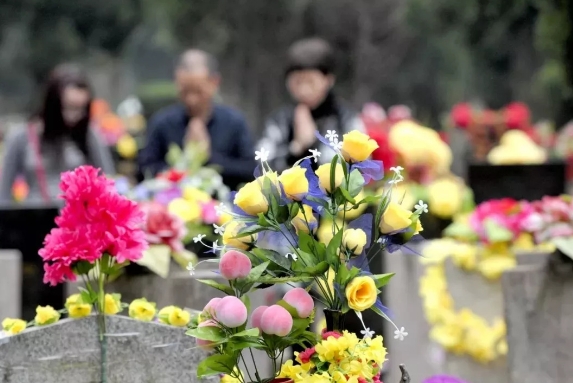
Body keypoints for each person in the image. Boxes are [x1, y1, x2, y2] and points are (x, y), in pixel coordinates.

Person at [138, 49, 256, 189]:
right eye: (185, 91)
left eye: (198, 91)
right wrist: (183, 164)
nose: (191, 100)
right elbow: (143, 171)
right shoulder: (162, 123)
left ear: (214, 82)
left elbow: (251, 171)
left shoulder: (234, 122)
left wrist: (209, 157)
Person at [0, 64, 114, 203]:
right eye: (70, 107)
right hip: (36, 216)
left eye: (82, 109)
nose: (76, 115)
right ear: (52, 103)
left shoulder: (89, 134)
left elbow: (108, 181)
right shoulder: (21, 136)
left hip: (76, 218)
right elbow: (4, 193)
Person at [258, 37, 364, 172]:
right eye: (297, 82)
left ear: (329, 80)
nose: (303, 90)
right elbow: (260, 164)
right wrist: (296, 147)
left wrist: (314, 143)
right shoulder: (280, 120)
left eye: (310, 82)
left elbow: (361, 165)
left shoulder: (345, 118)